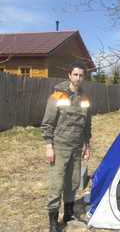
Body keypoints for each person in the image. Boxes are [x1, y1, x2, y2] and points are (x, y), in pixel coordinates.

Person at [41, 61, 92, 232]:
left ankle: (68, 214)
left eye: (81, 75)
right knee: (57, 185)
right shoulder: (57, 96)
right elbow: (47, 124)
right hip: (60, 148)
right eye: (75, 74)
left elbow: (87, 126)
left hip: (76, 149)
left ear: (84, 77)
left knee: (73, 182)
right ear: (69, 75)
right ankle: (53, 222)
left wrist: (87, 146)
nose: (78, 78)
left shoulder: (84, 99)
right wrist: (49, 146)